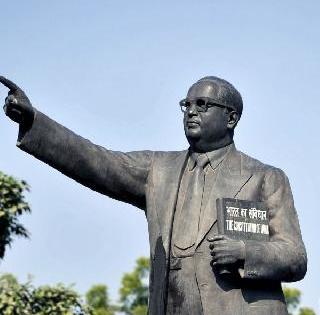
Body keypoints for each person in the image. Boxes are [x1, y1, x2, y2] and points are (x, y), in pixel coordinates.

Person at [0, 75, 307, 315]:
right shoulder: (158, 169)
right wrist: (33, 121)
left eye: (202, 104)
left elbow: (294, 256)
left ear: (231, 118)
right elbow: (97, 161)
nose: (191, 112)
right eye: (186, 105)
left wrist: (244, 252)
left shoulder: (264, 177)